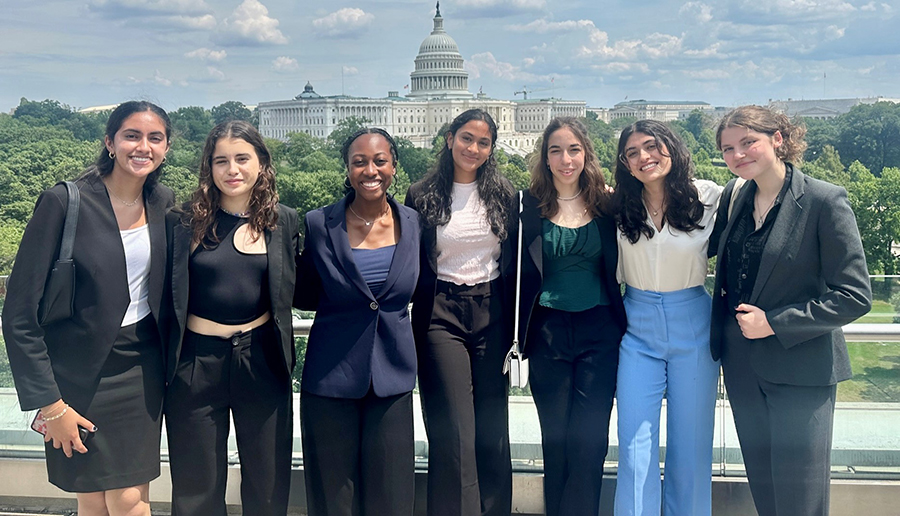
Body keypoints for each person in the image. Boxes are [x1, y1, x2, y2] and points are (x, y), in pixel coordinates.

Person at [2, 101, 174, 515]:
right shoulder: (65, 202)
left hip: (140, 369)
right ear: (110, 142)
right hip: (76, 377)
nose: (143, 147)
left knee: (129, 497)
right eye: (131, 135)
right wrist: (50, 404)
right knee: (93, 498)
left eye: (155, 138)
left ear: (167, 148)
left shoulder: (164, 202)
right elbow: (19, 313)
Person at [710, 105, 871, 516]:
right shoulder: (734, 198)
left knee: (800, 497)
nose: (738, 155)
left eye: (749, 142)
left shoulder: (823, 200)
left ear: (778, 139)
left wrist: (775, 324)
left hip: (802, 371)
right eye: (728, 148)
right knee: (764, 489)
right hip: (743, 369)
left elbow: (854, 294)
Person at [164, 120, 299, 515]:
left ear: (261, 164)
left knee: (268, 481)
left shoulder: (284, 221)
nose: (232, 169)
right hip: (195, 360)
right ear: (209, 167)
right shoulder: (184, 221)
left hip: (261, 358)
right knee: (196, 484)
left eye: (242, 158)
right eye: (221, 161)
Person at [295, 127, 420, 515]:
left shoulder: (415, 224)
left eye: (380, 161)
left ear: (394, 167)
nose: (371, 170)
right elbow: (302, 293)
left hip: (393, 378)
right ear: (347, 170)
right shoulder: (318, 224)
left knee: (393, 496)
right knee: (333, 498)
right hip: (331, 376)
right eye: (359, 161)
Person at [405, 108, 517, 516]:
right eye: (466, 138)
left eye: (483, 142)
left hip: (493, 312)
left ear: (491, 149)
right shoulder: (421, 194)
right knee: (453, 429)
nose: (473, 148)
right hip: (440, 313)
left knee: (491, 428)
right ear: (450, 139)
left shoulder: (505, 194)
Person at [612, 119, 722, 516]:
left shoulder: (708, 197)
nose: (644, 157)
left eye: (652, 146)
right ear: (625, 164)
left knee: (691, 446)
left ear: (672, 149)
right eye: (633, 152)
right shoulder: (618, 206)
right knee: (634, 445)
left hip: (693, 322)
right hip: (636, 327)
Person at [517, 117, 626, 516]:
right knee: (557, 438)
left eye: (574, 150)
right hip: (547, 330)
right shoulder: (526, 207)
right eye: (556, 150)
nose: (566, 159)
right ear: (545, 158)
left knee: (591, 439)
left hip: (600, 329)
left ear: (586, 154)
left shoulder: (608, 204)